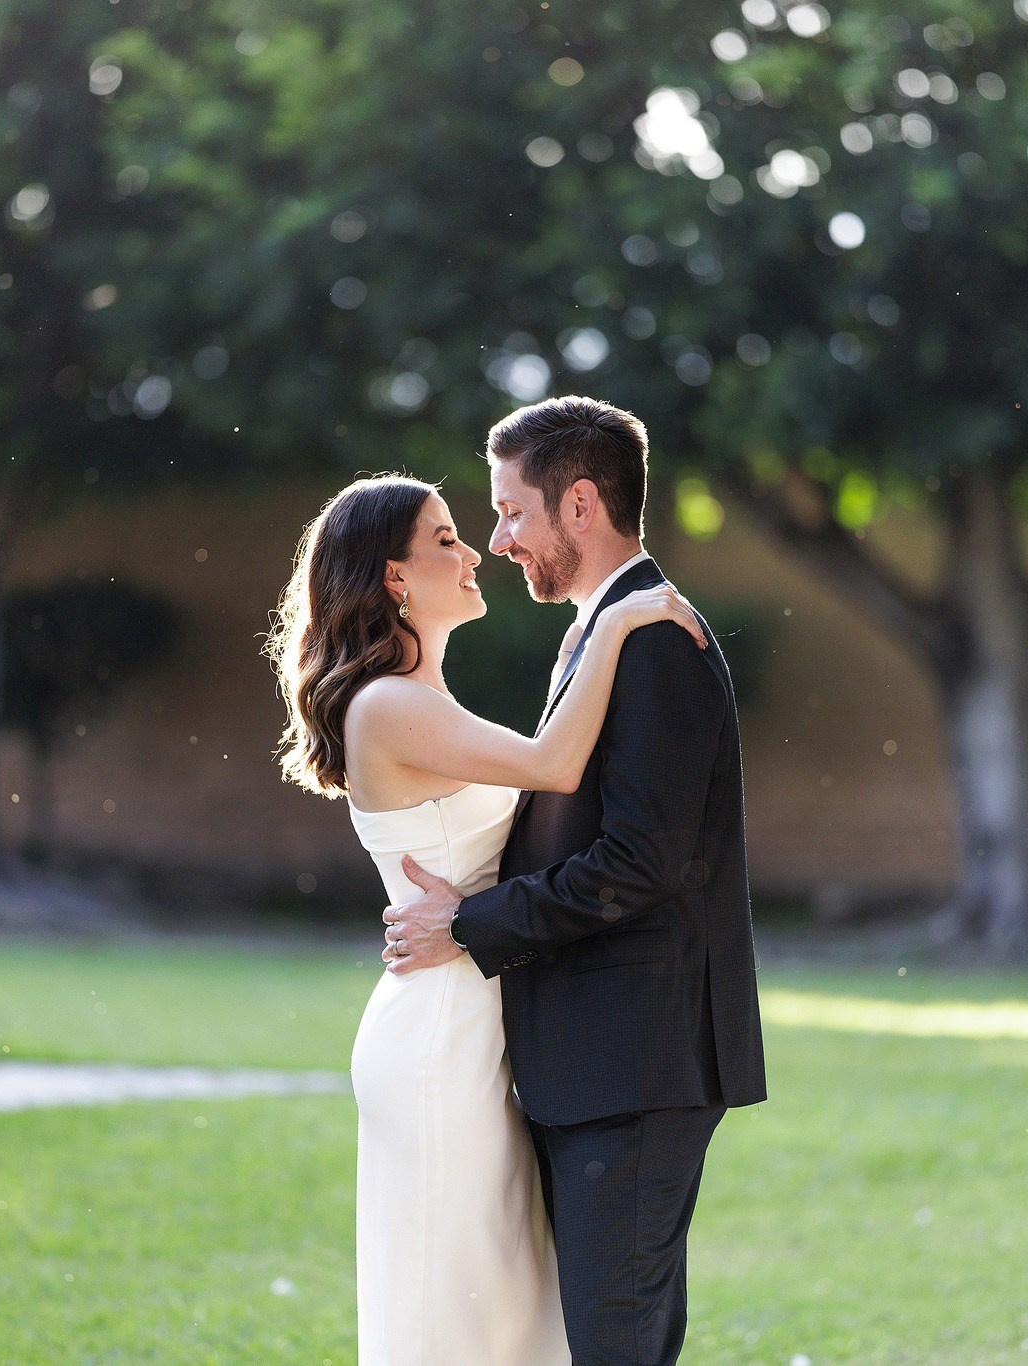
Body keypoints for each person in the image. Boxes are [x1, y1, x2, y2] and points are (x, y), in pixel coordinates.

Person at [267, 464, 706, 1366]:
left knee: (503, 1306)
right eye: (445, 540)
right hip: (441, 1035)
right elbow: (554, 766)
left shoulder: (422, 701)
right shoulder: (389, 705)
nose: (474, 552)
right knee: (455, 1306)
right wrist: (613, 623)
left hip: (478, 1015)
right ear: (394, 577)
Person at [385, 395, 769, 1366]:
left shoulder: (654, 642)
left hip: (633, 1060)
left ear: (582, 504)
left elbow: (638, 863)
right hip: (598, 1061)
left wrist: (469, 922)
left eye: (512, 511)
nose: (498, 540)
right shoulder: (611, 633)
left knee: (614, 1347)